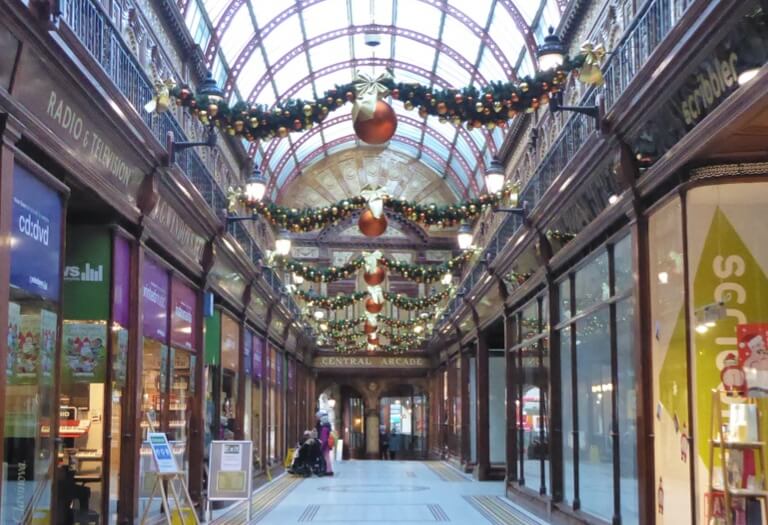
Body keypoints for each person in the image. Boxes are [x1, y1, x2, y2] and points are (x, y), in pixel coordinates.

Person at [316, 410, 334, 476]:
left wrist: (321, 446)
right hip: (327, 445)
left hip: (325, 446)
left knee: (326, 458)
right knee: (327, 457)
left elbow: (324, 439)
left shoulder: (324, 428)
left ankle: (328, 470)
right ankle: (329, 470)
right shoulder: (328, 427)